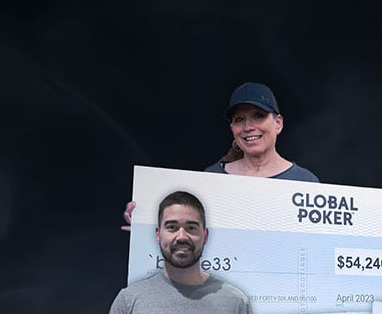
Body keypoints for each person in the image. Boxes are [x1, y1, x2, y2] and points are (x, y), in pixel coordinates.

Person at [122, 82, 317, 228]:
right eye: (240, 119)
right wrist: (146, 228)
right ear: (232, 128)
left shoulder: (304, 182)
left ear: (278, 123)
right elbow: (189, 234)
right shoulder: (212, 178)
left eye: (258, 115)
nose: (248, 127)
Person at [109, 191, 250, 314]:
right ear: (158, 235)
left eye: (191, 228)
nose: (181, 236)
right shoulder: (128, 302)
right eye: (172, 227)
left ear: (205, 236)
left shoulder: (235, 301)